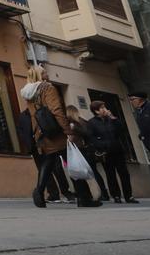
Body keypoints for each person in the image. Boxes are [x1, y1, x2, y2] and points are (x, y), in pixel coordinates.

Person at [19, 66, 101, 208]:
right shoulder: (47, 88)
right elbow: (56, 110)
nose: (47, 74)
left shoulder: (28, 94)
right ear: (39, 75)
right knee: (73, 160)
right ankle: (84, 198)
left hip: (41, 133)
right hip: (56, 132)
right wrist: (67, 130)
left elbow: (33, 116)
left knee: (48, 161)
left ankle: (39, 191)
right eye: (44, 72)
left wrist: (36, 133)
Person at [86, 100, 137, 203]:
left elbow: (121, 131)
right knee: (110, 174)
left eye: (104, 107)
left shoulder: (111, 119)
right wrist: (102, 145)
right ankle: (116, 195)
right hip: (105, 152)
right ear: (96, 111)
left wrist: (114, 119)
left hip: (118, 150)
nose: (105, 109)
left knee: (124, 173)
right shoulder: (92, 123)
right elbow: (91, 138)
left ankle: (129, 196)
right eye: (102, 108)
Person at [64, 105, 105, 207]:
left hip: (72, 152)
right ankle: (87, 198)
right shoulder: (77, 123)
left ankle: (82, 198)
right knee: (85, 175)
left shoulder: (69, 124)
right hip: (81, 151)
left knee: (77, 176)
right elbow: (87, 134)